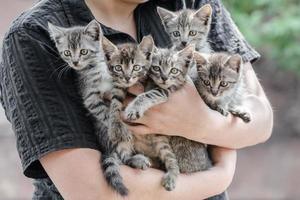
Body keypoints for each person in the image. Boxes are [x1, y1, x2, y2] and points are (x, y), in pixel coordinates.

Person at [0, 0, 273, 199]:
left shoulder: (190, 5)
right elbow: (92, 192)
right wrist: (219, 177)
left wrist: (201, 122)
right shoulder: (33, 36)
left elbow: (260, 118)